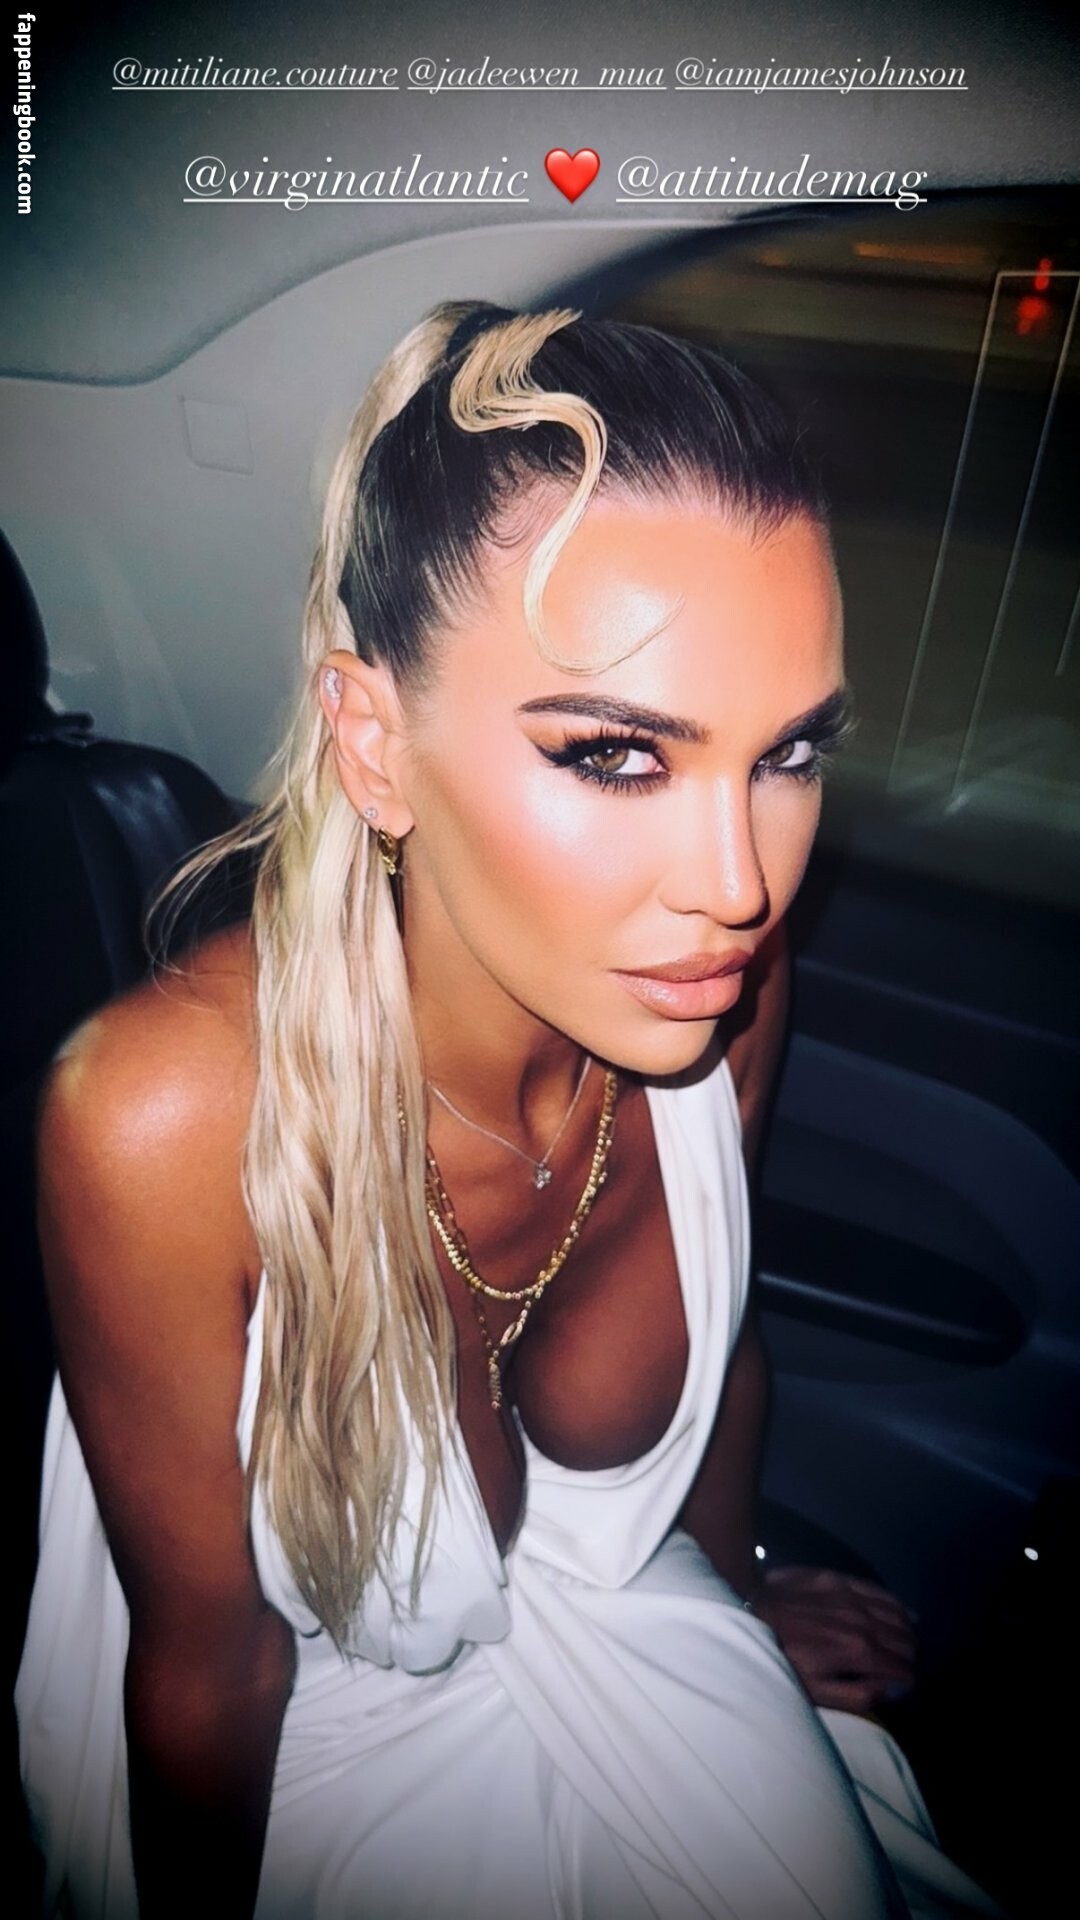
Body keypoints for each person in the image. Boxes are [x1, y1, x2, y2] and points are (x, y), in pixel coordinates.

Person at [15, 301, 1005, 1919]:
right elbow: (211, 1674)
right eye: (616, 755)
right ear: (375, 746)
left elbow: (726, 1356)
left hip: (637, 1640)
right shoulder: (162, 1123)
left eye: (789, 753)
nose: (741, 886)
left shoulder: (725, 1005)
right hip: (310, 1748)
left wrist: (744, 1599)